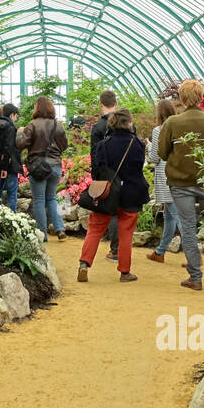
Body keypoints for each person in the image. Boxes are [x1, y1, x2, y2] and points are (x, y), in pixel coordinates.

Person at [157, 79, 204, 290]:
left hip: (181, 184)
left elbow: (162, 153)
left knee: (188, 228)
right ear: (201, 96)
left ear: (181, 98)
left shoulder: (173, 123)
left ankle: (196, 278)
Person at [76, 108, 149, 283]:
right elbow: (139, 168)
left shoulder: (103, 144)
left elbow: (97, 170)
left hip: (107, 193)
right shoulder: (137, 144)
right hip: (131, 193)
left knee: (95, 229)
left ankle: (84, 264)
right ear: (129, 123)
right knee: (126, 234)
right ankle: (125, 272)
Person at [16, 96, 69, 241]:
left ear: (37, 108)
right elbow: (65, 145)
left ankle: (42, 234)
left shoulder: (32, 124)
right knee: (51, 198)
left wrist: (20, 132)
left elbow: (20, 144)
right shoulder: (58, 125)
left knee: (39, 199)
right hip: (55, 166)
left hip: (38, 165)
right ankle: (59, 229)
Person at [88, 90, 122, 263]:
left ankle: (89, 258)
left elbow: (94, 154)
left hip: (104, 174)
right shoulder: (126, 125)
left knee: (106, 212)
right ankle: (118, 250)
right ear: (115, 103)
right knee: (120, 212)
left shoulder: (98, 127)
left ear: (101, 104)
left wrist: (95, 176)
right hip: (122, 173)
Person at [146, 99, 181, 264]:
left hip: (166, 176)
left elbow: (155, 157)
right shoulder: (180, 127)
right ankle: (160, 252)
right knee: (169, 215)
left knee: (177, 215)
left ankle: (192, 256)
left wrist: (149, 146)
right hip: (179, 173)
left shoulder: (158, 130)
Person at [0, 102, 22, 210]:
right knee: (11, 194)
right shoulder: (10, 128)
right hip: (9, 166)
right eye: (16, 116)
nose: (16, 119)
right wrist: (5, 168)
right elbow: (9, 149)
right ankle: (12, 220)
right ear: (12, 115)